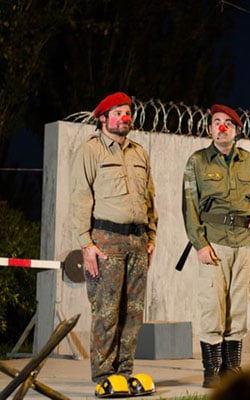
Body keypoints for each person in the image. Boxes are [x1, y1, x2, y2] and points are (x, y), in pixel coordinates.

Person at [70, 92, 158, 397]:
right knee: (107, 310)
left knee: (133, 312)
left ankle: (124, 372)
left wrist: (151, 237)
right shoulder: (91, 150)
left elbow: (150, 198)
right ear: (103, 118)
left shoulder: (139, 153)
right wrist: (86, 244)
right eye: (118, 113)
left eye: (127, 112)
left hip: (138, 241)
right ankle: (104, 375)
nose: (125, 117)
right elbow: (81, 198)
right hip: (106, 240)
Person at [182, 104, 250, 388]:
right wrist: (199, 244)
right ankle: (211, 371)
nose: (221, 127)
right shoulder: (198, 161)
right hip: (214, 243)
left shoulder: (248, 160)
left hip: (244, 243)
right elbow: (189, 206)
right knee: (212, 305)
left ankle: (232, 367)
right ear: (210, 128)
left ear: (236, 130)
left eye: (228, 123)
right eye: (216, 122)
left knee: (238, 306)